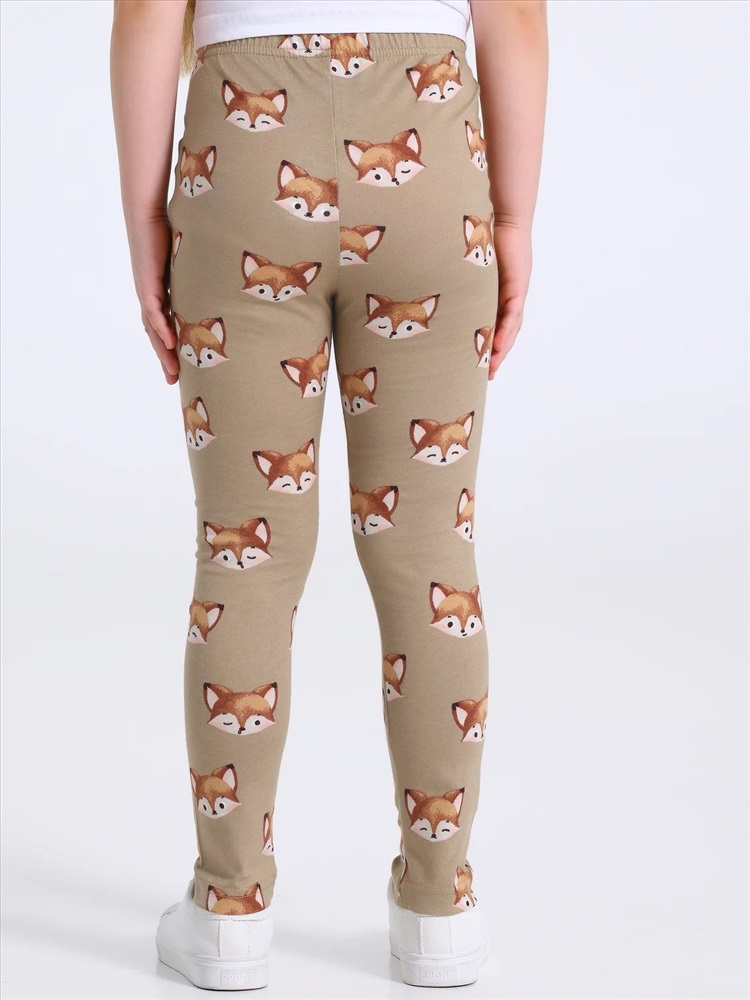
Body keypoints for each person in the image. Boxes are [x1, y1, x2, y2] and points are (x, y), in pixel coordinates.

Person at [110, 0, 547, 990]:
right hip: (430, 164)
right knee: (431, 551)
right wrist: (513, 216)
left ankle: (228, 913)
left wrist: (146, 217)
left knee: (245, 554)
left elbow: (145, 14)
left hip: (242, 166)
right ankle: (438, 910)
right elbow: (516, 16)